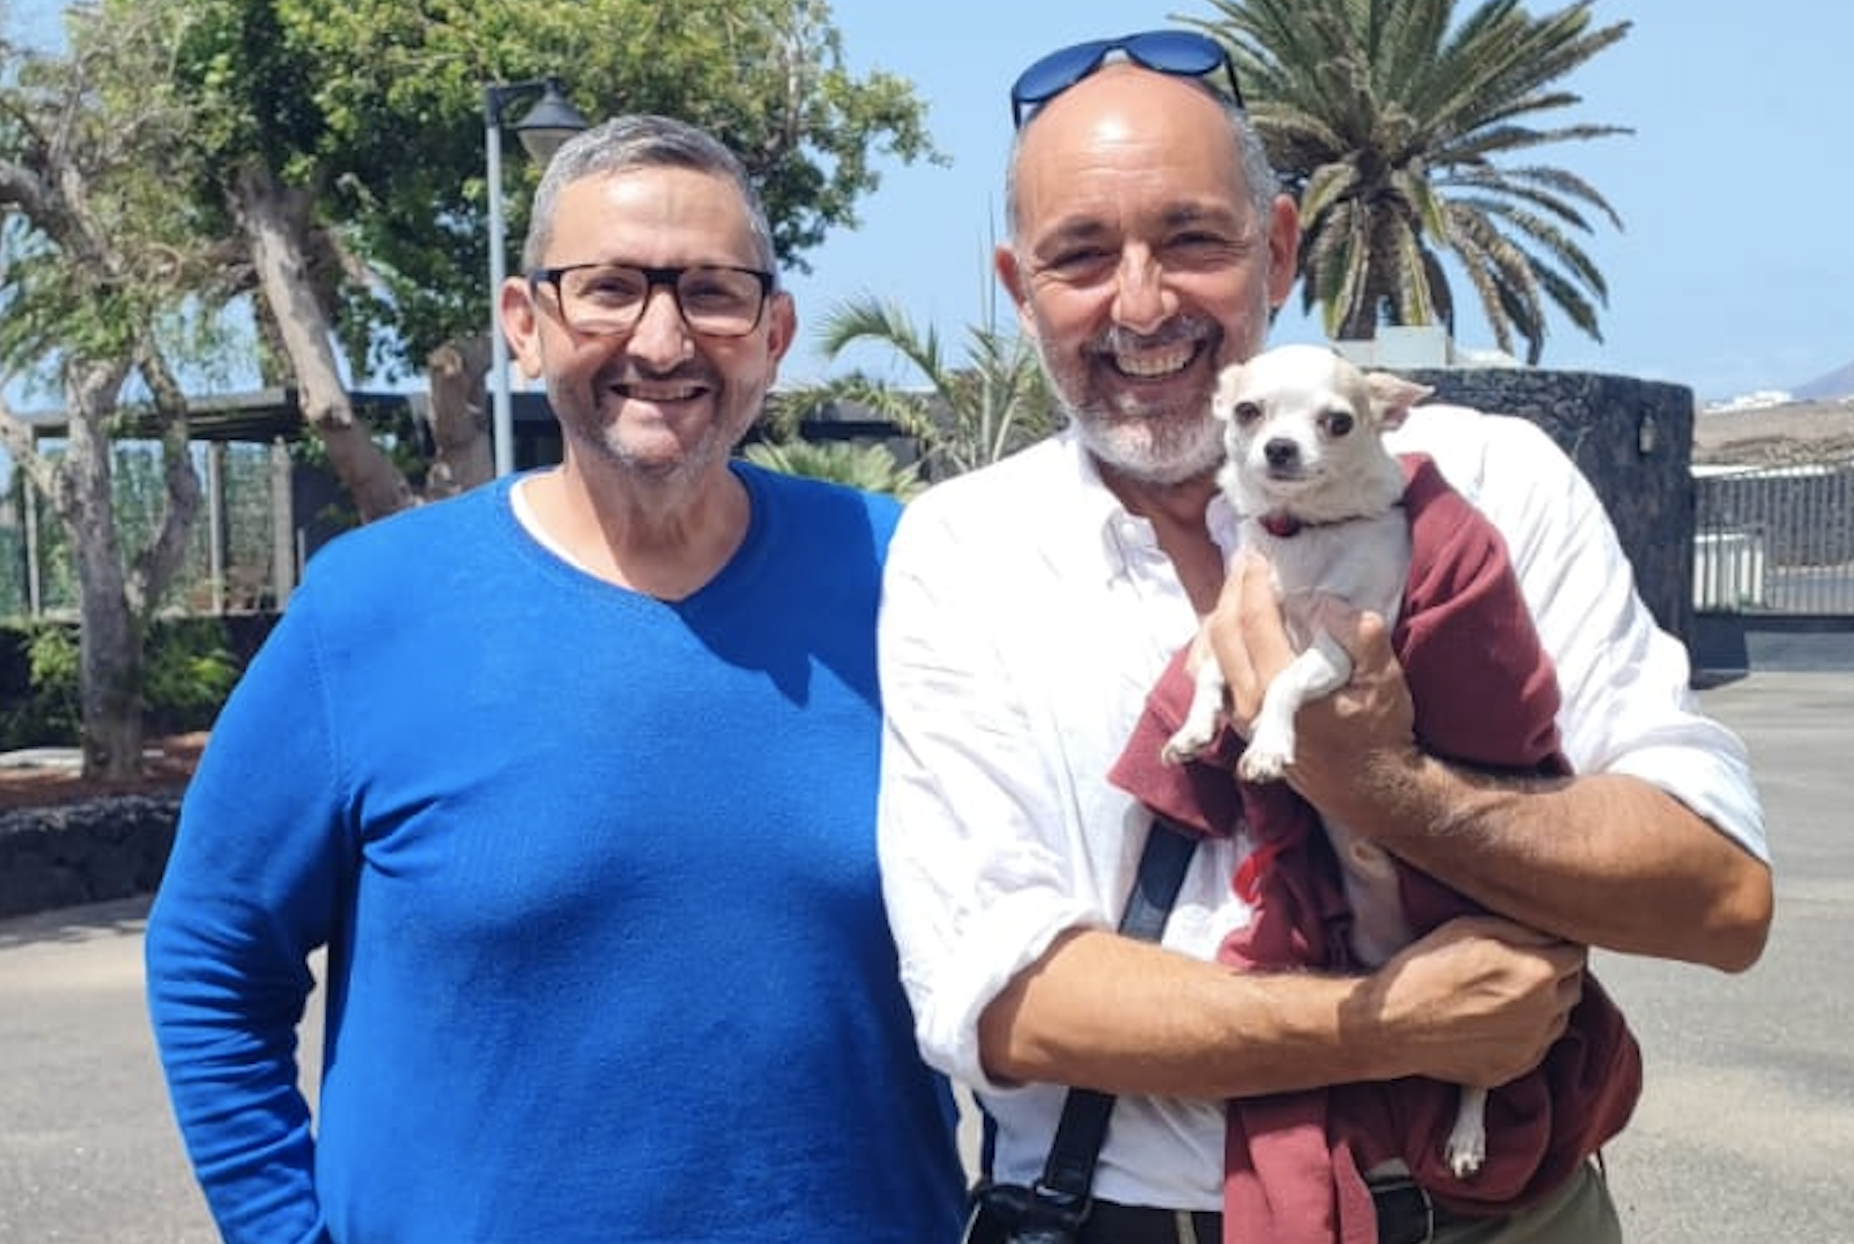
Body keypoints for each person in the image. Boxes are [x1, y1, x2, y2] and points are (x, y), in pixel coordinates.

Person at [875, 31, 1773, 1244]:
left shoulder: (1492, 485)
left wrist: (1394, 786)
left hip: (1509, 1215)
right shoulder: (965, 550)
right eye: (1080, 256)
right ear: (1017, 284)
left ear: (1282, 246)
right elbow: (1000, 1000)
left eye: (1193, 238)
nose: (1141, 303)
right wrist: (1389, 1020)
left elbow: (1718, 899)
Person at [144, 113, 965, 1244]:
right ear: (525, 326)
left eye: (714, 293)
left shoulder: (911, 576)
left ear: (775, 333)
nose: (665, 339)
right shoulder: (372, 607)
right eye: (611, 287)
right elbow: (211, 953)